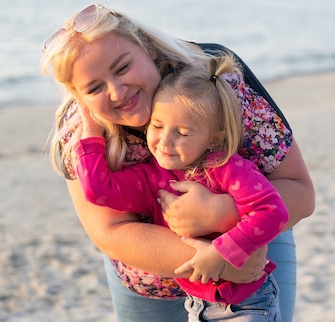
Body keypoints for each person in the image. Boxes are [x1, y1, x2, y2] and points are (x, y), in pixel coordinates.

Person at [40, 4, 315, 322]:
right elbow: (109, 231)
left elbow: (300, 191)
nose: (116, 91)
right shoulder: (79, 131)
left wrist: (220, 215)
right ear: (78, 96)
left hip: (252, 249)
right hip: (149, 280)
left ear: (148, 49)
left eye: (122, 67)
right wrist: (219, 263)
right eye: (94, 88)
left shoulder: (216, 80)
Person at [74, 53, 289, 320]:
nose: (165, 141)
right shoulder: (154, 176)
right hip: (197, 304)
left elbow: (273, 211)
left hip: (247, 304)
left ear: (214, 137)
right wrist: (92, 134)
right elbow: (100, 191)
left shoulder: (229, 169)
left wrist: (221, 254)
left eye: (182, 133)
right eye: (157, 125)